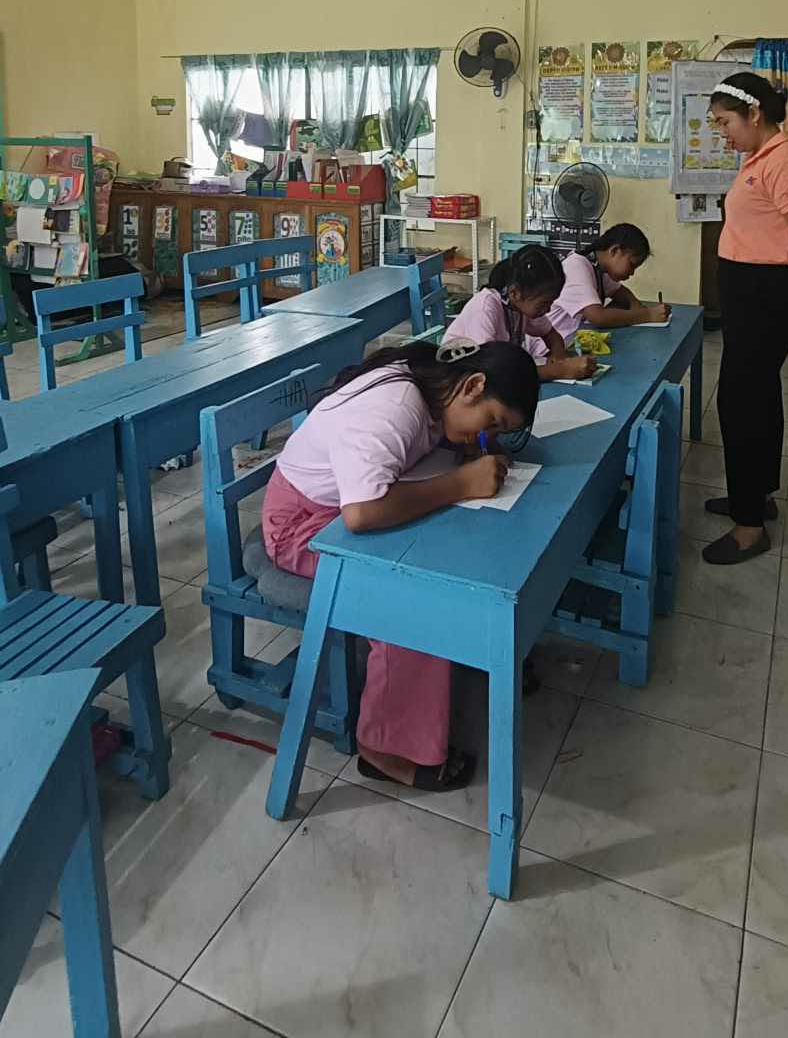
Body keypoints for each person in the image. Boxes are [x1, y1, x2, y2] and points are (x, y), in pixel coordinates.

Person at [261, 340, 539, 790]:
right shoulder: (394, 408)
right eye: (490, 423)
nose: (487, 435)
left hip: (342, 506)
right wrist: (461, 484)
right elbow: (362, 514)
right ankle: (385, 749)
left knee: (449, 549)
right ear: (471, 385)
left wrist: (471, 451)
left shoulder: (434, 388)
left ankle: (456, 658)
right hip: (303, 525)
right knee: (411, 597)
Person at [702, 72, 788, 566]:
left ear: (755, 114)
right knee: (757, 392)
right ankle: (754, 497)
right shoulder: (761, 160)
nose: (721, 132)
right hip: (752, 294)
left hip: (768, 296)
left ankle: (749, 528)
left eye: (725, 121)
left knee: (740, 401)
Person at [443, 244, 597, 381]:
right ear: (515, 292)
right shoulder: (485, 309)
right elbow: (493, 373)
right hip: (461, 381)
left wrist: (559, 359)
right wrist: (559, 371)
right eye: (544, 303)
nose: (549, 309)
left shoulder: (518, 305)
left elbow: (552, 335)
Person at [547, 222, 671, 340]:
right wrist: (647, 315)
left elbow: (620, 292)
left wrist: (637, 307)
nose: (632, 273)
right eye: (632, 264)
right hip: (549, 350)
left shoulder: (598, 267)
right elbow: (598, 317)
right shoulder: (577, 266)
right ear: (614, 251)